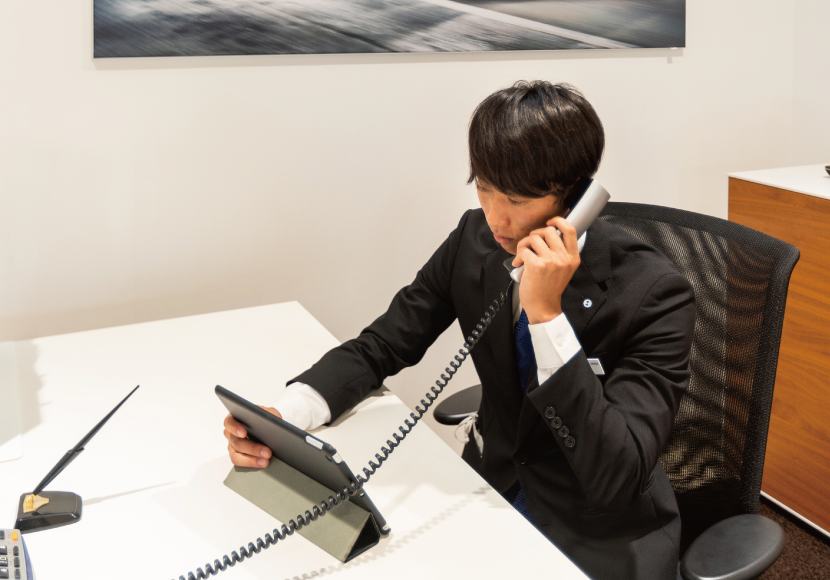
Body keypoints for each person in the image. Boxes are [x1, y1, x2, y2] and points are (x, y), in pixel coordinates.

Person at [222, 81, 696, 580]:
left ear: (575, 198)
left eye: (516, 198)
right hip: (489, 492)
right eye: (484, 187)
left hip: (597, 534)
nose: (496, 217)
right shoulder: (474, 239)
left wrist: (547, 317)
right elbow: (384, 343)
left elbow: (617, 476)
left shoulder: (655, 294)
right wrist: (285, 418)